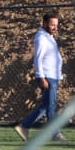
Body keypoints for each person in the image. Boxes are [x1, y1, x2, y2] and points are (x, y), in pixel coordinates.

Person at [14, 11, 67, 143]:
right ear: (44, 23)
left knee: (45, 105)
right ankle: (55, 134)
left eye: (56, 25)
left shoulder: (49, 37)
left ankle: (24, 126)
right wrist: (41, 77)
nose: (55, 27)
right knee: (51, 105)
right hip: (48, 76)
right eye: (52, 24)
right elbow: (38, 59)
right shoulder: (41, 38)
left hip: (53, 76)